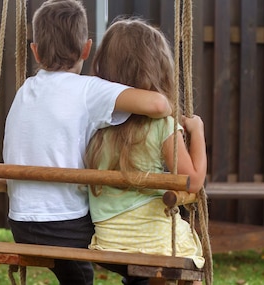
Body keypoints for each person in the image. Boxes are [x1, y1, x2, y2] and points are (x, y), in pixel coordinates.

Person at [2, 1, 173, 284]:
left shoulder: (25, 89)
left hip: (21, 223)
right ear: (86, 48)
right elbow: (158, 105)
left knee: (78, 274)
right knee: (137, 259)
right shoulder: (87, 90)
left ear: (35, 50)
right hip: (65, 225)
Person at [85, 18, 207, 285]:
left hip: (108, 238)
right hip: (151, 238)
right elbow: (193, 181)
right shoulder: (162, 125)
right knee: (186, 259)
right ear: (159, 68)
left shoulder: (96, 123)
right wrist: (196, 131)